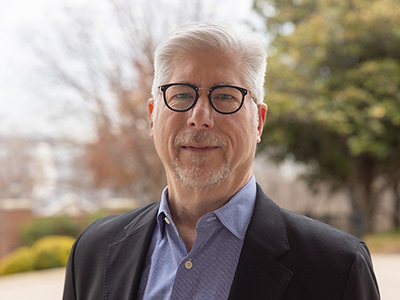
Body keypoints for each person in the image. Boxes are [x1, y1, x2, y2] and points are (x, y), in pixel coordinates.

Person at [63, 22, 380, 300]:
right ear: (152, 117)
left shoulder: (337, 267)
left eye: (226, 95)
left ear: (258, 122)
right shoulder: (92, 252)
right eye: (182, 95)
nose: (199, 118)